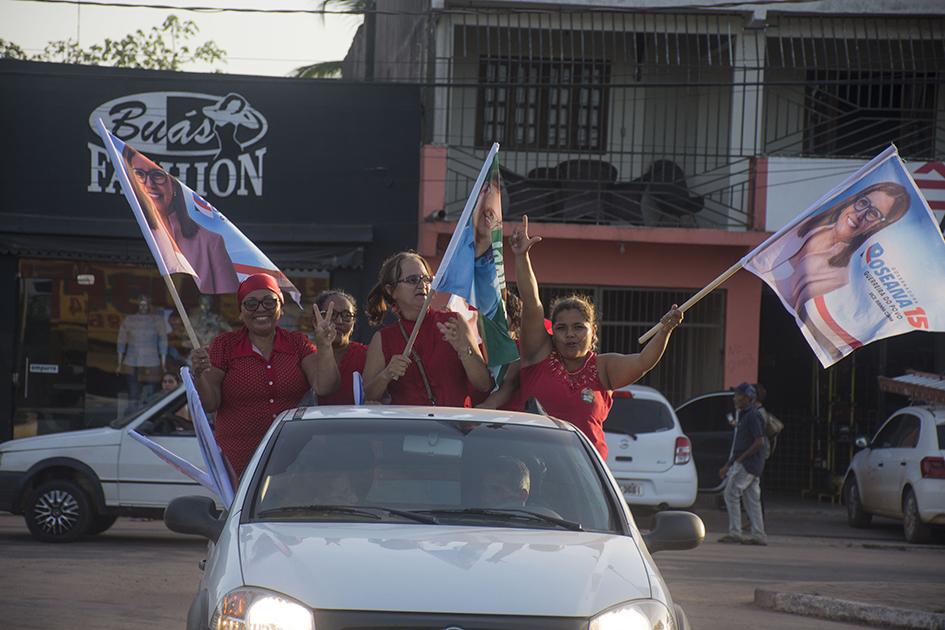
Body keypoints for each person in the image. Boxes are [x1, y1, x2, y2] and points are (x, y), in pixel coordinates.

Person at [508, 217, 683, 459]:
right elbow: (532, 303)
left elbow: (644, 361)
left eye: (579, 327)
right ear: (552, 332)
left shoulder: (604, 367)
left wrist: (665, 330)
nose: (570, 334)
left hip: (585, 472)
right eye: (561, 328)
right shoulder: (537, 355)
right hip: (532, 463)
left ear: (593, 332)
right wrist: (521, 257)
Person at [189, 273, 340, 478]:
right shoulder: (225, 345)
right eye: (251, 303)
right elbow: (211, 403)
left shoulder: (297, 343)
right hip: (239, 456)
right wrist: (199, 376)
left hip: (293, 455)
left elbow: (325, 386)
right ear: (241, 312)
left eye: (269, 302)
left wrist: (325, 346)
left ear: (281, 307)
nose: (260, 309)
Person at [749, 182, 910, 358]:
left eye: (873, 214)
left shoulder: (838, 275)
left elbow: (794, 307)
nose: (860, 215)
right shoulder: (807, 225)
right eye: (863, 203)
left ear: (877, 226)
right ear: (854, 199)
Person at [362, 251, 492, 406]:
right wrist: (386, 374)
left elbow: (484, 385)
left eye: (427, 279)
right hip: (409, 427)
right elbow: (367, 395)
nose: (422, 285)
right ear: (391, 291)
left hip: (455, 425)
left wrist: (464, 350)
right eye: (413, 279)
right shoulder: (383, 338)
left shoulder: (453, 322)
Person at [122, 144, 239, 294]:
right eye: (139, 174)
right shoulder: (134, 234)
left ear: (175, 187)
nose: (149, 184)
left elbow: (228, 299)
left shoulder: (210, 242)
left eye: (158, 176)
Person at [718, 383, 767, 545]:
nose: (735, 398)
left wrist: (739, 460)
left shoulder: (752, 416)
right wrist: (729, 464)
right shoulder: (745, 415)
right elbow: (740, 443)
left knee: (731, 493)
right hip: (751, 464)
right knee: (752, 499)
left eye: (738, 395)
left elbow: (759, 441)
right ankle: (758, 535)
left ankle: (735, 533)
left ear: (747, 398)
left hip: (747, 464)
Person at [313, 289, 367, 405]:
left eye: (347, 315)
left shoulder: (366, 356)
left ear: (354, 323)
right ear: (315, 321)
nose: (339, 321)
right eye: (332, 315)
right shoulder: (306, 356)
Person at [117, 295, 167, 407]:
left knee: (151, 397)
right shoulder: (129, 320)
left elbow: (163, 341)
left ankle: (149, 419)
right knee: (133, 395)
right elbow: (121, 341)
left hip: (151, 362)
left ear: (149, 305)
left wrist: (163, 364)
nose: (143, 307)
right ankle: (133, 419)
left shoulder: (157, 320)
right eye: (141, 304)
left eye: (145, 304)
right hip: (132, 361)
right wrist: (119, 363)